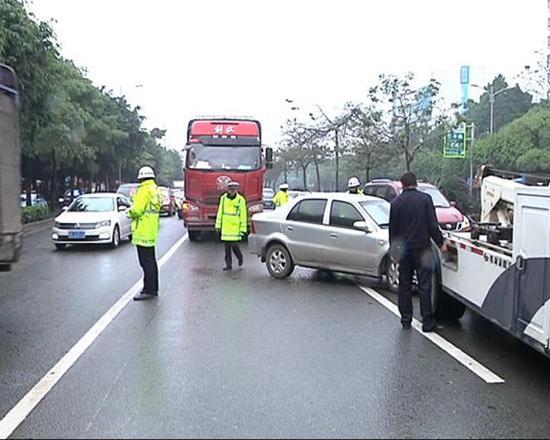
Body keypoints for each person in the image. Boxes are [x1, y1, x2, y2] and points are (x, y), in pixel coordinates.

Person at [389, 171, 448, 332]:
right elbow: (432, 225)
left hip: (404, 251)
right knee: (425, 285)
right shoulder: (425, 200)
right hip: (423, 249)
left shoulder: (396, 203)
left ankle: (406, 319)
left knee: (405, 284)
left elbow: (393, 231)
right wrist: (441, 242)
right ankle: (427, 321)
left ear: (402, 185)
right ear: (416, 183)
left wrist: (393, 252)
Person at [128, 166, 163, 301]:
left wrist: (128, 212)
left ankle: (149, 290)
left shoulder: (143, 190)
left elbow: (137, 210)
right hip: (151, 229)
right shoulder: (156, 190)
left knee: (145, 262)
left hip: (142, 230)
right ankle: (153, 288)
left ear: (141, 178)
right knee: (151, 261)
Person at [215, 181, 247, 271]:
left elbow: (243, 215)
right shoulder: (223, 199)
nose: (232, 191)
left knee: (234, 245)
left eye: (233, 190)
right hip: (225, 227)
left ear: (236, 190)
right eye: (230, 189)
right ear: (228, 190)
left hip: (235, 227)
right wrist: (218, 225)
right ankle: (228, 265)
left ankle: (240, 257)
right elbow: (220, 212)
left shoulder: (241, 199)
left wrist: (243, 229)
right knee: (227, 248)